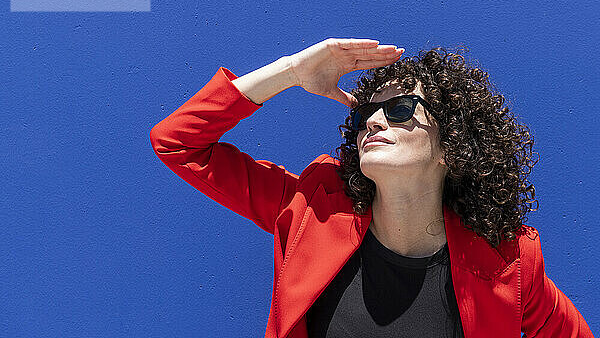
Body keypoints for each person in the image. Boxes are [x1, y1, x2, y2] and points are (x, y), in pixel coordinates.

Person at [149, 38, 594, 337]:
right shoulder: (310, 209)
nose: (375, 120)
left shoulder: (509, 262)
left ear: (452, 145)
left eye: (401, 109)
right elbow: (178, 142)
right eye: (365, 115)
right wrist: (290, 71)